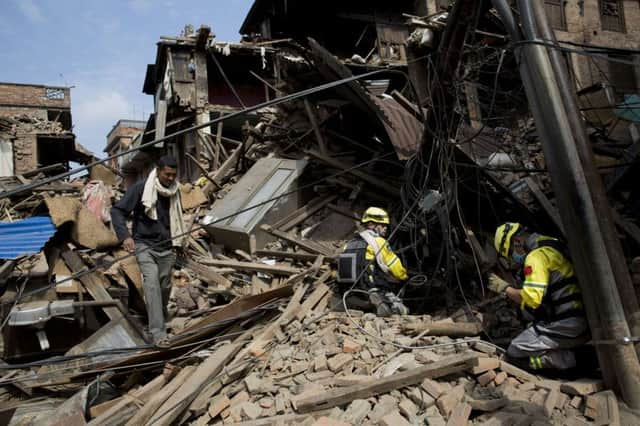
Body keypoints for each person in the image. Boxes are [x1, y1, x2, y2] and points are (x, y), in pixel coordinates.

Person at [489, 222, 589, 371]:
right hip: (583, 316)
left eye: (510, 253)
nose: (513, 258)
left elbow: (531, 299)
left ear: (517, 242)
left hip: (568, 323)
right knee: (527, 316)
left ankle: (577, 360)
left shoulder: (536, 257)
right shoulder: (552, 244)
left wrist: (504, 288)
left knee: (514, 351)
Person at [111, 155, 185, 344]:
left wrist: (180, 245)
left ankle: (158, 316)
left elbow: (178, 219)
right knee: (151, 285)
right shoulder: (141, 188)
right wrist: (125, 236)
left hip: (167, 245)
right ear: (158, 171)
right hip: (144, 245)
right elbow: (117, 211)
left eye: (173, 175)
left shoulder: (175, 191)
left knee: (165, 286)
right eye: (167, 174)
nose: (170, 179)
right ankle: (158, 333)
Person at [337, 207, 409, 316]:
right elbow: (396, 268)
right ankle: (381, 302)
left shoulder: (349, 244)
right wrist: (405, 278)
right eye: (382, 225)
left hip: (349, 291)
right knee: (403, 311)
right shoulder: (379, 242)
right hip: (370, 289)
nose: (385, 228)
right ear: (371, 225)